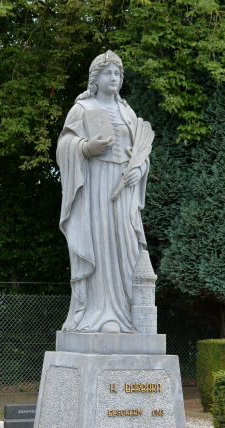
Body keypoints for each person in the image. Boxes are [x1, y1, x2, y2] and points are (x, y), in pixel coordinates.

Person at [57, 50, 152, 333]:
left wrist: (139, 169)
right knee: (99, 245)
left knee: (125, 248)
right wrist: (86, 148)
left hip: (123, 191)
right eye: (107, 73)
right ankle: (98, 315)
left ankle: (124, 315)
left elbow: (141, 153)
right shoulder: (81, 110)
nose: (113, 78)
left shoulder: (128, 112)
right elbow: (65, 147)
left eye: (117, 74)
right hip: (95, 187)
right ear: (94, 79)